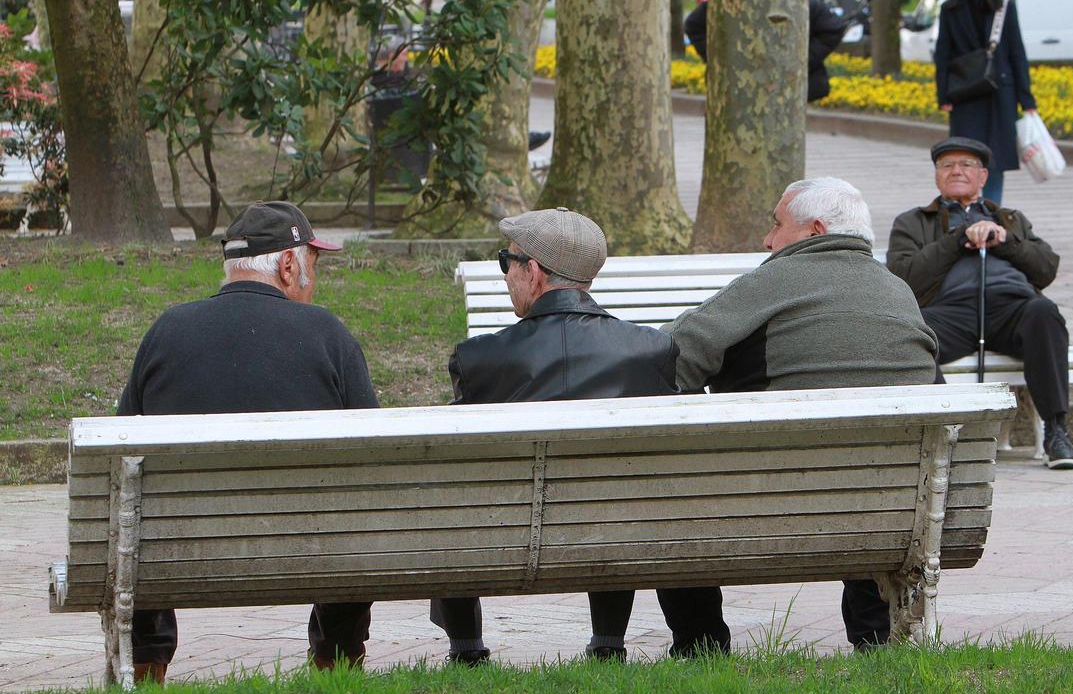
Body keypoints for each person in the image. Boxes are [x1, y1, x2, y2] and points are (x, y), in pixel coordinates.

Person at [431, 207, 731, 664]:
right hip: (621, 527)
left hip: (505, 531)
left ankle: (467, 648)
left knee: (452, 501)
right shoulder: (651, 350)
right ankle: (608, 641)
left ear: (533, 272)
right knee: (618, 490)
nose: (505, 274)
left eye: (505, 261)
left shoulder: (480, 358)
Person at [663, 177, 939, 651]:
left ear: (813, 231)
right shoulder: (898, 293)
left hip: (774, 504)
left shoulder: (775, 279)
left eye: (776, 225)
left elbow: (671, 355)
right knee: (865, 468)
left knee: (670, 494)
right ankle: (874, 641)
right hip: (893, 510)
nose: (768, 241)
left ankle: (700, 645)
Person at [116, 202, 379, 685]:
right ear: (286, 266)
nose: (312, 281)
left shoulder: (166, 333)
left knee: (139, 517)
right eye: (312, 267)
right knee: (354, 510)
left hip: (184, 550)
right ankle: (337, 657)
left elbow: (120, 460)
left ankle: (146, 664)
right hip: (308, 547)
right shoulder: (329, 336)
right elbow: (375, 461)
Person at [886, 137, 1073, 470]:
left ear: (983, 177)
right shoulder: (914, 221)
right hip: (952, 311)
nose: (956, 171)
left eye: (966, 165)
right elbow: (904, 278)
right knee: (908, 336)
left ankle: (1057, 433)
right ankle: (945, 431)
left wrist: (1006, 240)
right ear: (936, 175)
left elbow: (1046, 268)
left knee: (1043, 312)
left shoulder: (1009, 218)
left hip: (1013, 308)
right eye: (947, 165)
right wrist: (957, 239)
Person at [933, 0, 1036, 205]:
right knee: (964, 158)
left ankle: (990, 211)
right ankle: (963, 212)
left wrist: (1027, 100)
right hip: (965, 95)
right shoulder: (950, 9)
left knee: (995, 160)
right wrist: (943, 94)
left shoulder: (1003, 8)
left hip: (999, 95)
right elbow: (942, 54)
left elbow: (1016, 54)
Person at [683, 0, 846, 103]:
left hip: (785, 88)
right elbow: (694, 25)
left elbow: (833, 29)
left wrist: (800, 60)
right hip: (735, 88)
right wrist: (720, 59)